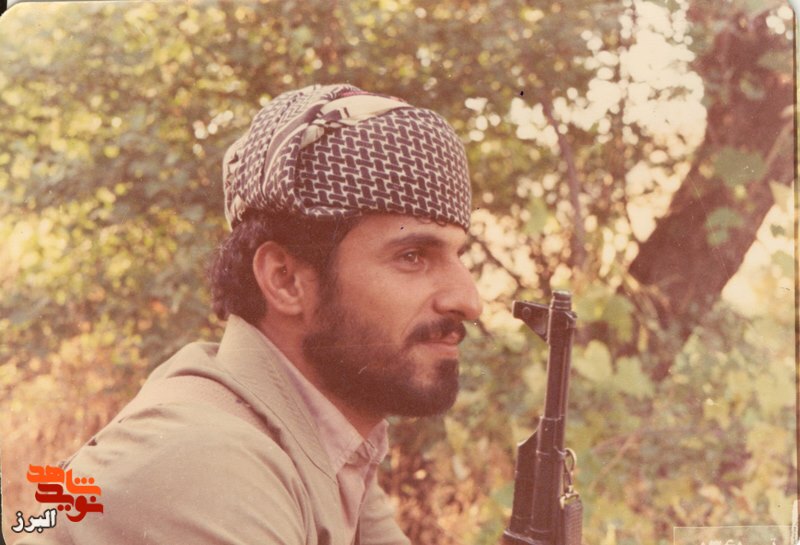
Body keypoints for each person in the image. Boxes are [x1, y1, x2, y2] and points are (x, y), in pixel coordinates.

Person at [18, 83, 482, 545]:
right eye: (412, 256)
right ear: (285, 280)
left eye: (459, 255)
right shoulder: (206, 460)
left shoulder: (325, 444)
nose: (469, 301)